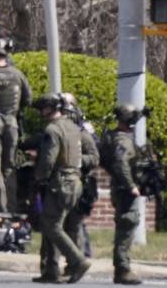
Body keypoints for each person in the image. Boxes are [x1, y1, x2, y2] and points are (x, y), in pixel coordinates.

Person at [32, 93, 91, 284]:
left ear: (50, 109)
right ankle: (52, 271)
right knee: (59, 225)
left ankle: (78, 260)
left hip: (60, 183)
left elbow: (48, 160)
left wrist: (38, 176)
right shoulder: (74, 128)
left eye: (42, 109)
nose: (41, 112)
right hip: (74, 182)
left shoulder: (52, 130)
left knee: (52, 226)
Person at [100, 104, 146, 285]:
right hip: (125, 190)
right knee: (127, 226)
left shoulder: (116, 136)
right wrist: (131, 185)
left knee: (126, 226)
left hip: (121, 188)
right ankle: (123, 269)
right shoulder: (123, 140)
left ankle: (122, 267)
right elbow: (120, 163)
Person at [0, 37, 32, 212]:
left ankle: (0, 206)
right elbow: (28, 99)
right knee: (9, 166)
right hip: (12, 125)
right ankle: (11, 207)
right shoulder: (18, 75)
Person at [57, 93, 99, 275]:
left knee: (75, 223)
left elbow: (94, 157)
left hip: (81, 181)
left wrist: (74, 159)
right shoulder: (59, 129)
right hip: (61, 182)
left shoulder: (84, 131)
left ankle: (81, 256)